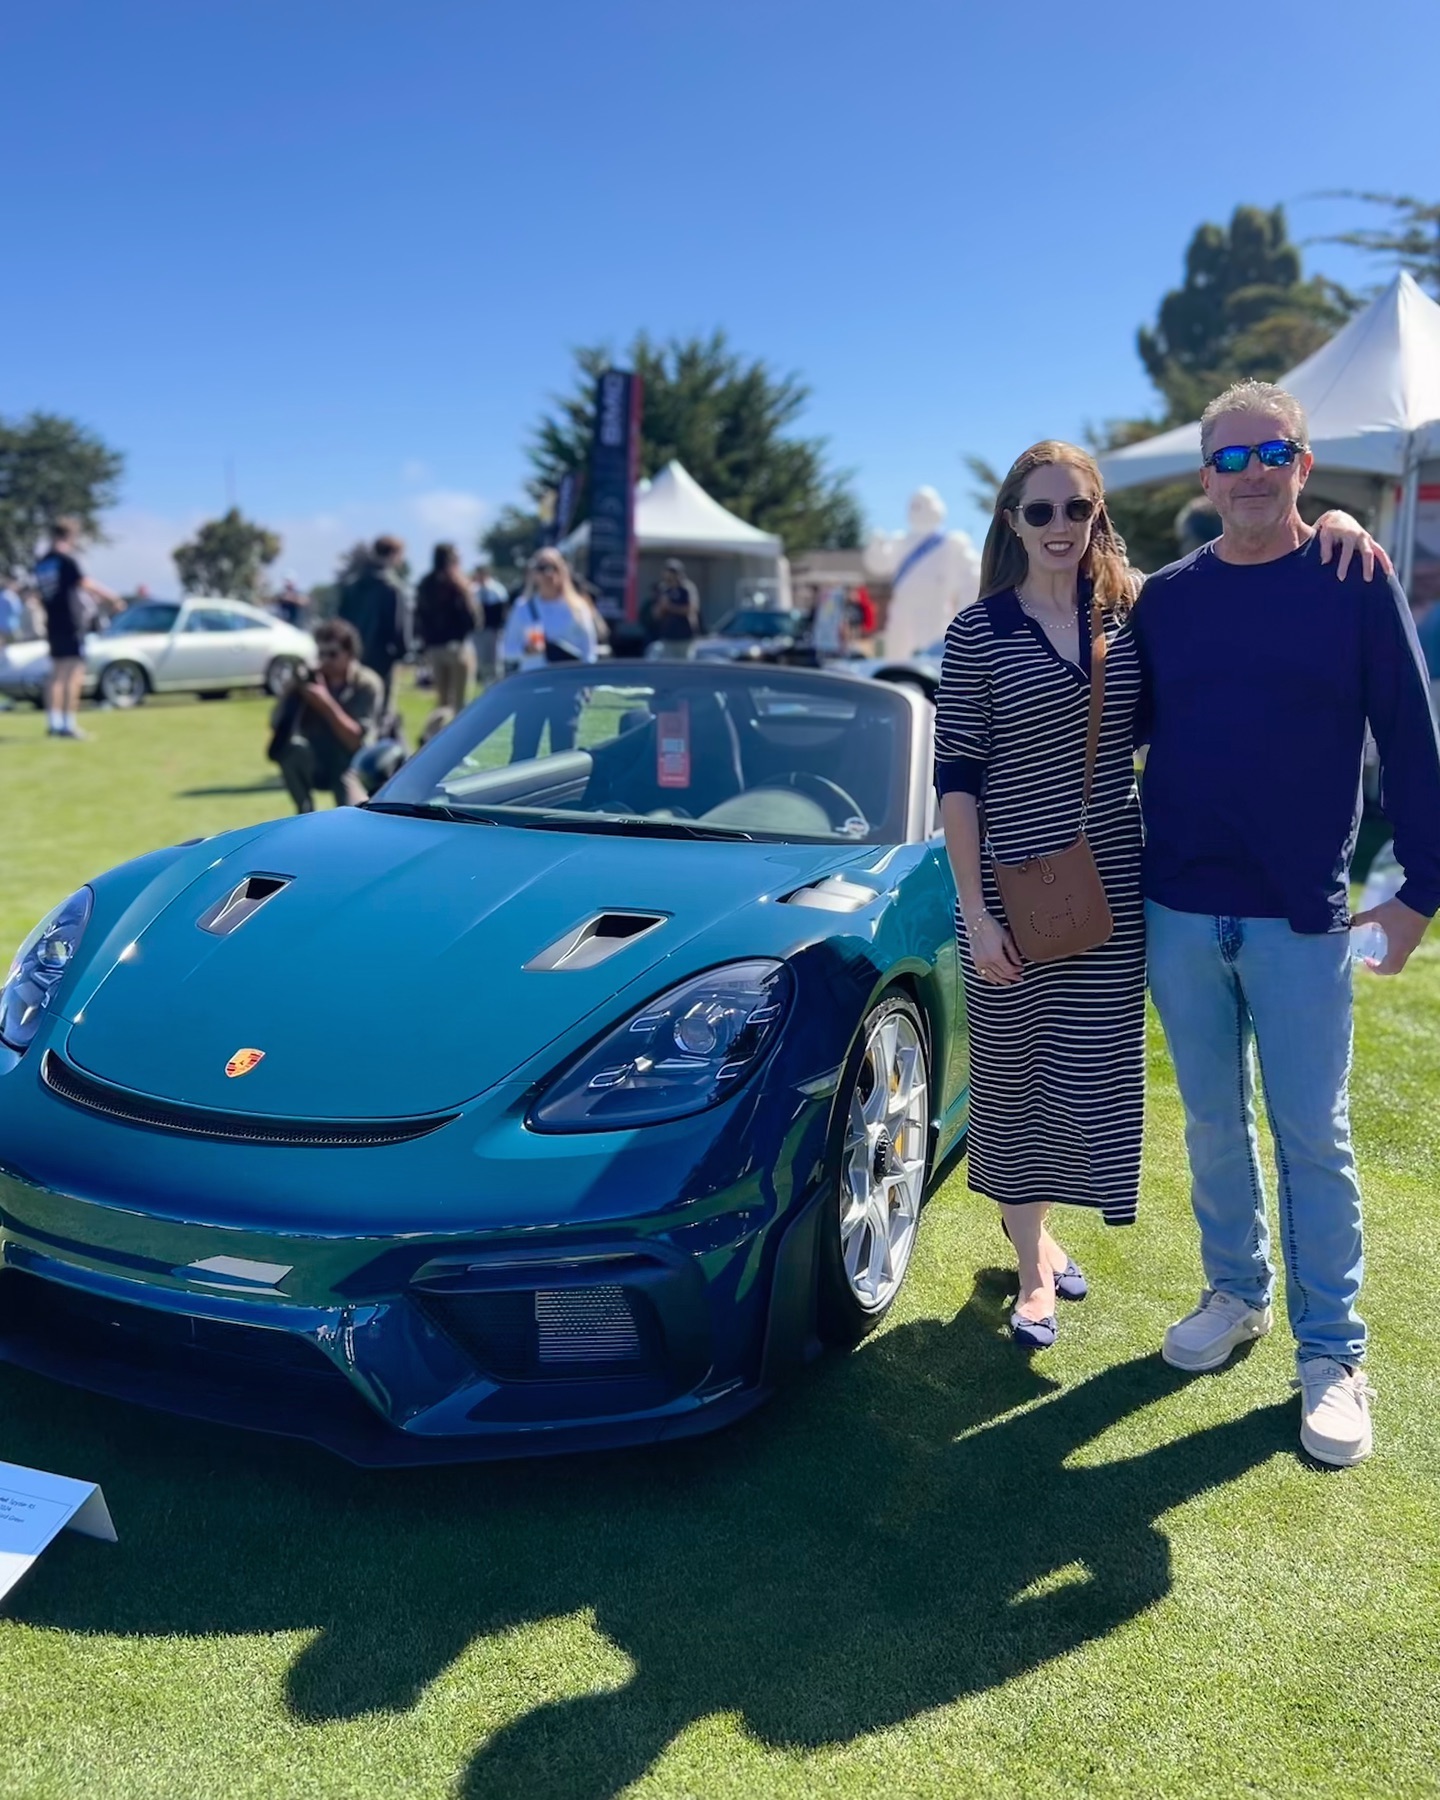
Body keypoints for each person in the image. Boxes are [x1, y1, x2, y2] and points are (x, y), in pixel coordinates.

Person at [936, 441, 1385, 1355]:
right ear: (1012, 522)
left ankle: (1051, 1230)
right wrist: (975, 914)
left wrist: (1331, 521)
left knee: (1089, 1077)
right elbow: (957, 783)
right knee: (1016, 1079)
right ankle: (1030, 1267)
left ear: (1099, 517)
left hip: (1113, 887)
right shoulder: (976, 631)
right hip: (1008, 894)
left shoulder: (1133, 612)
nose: (1060, 527)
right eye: (1040, 511)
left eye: (1077, 510)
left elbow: (1237, 563)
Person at [1135, 379, 1440, 1468]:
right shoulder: (1166, 599)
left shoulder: (1355, 582)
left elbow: (1413, 742)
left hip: (1303, 916)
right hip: (1178, 906)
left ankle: (1333, 1354)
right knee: (1213, 1123)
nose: (1253, 472)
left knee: (1314, 1136)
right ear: (1205, 477)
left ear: (1305, 467)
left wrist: (1417, 896)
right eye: (1230, 457)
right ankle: (1236, 1294)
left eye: (1275, 453)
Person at [267, 618, 383, 812]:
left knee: (352, 817)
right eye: (321, 654)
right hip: (317, 759)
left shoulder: (366, 684)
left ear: (350, 654)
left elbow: (357, 742)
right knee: (292, 751)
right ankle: (304, 812)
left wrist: (325, 704)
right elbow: (275, 725)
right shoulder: (310, 679)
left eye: (333, 654)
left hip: (352, 764)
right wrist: (291, 692)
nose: (326, 661)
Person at [500, 550, 600, 759]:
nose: (547, 574)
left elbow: (589, 652)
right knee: (523, 753)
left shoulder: (578, 608)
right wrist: (525, 650)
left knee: (564, 754)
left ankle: (565, 794)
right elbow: (506, 651)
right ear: (533, 574)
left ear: (562, 571)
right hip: (532, 687)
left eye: (553, 568)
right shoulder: (523, 608)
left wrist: (586, 684)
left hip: (566, 687)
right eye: (541, 568)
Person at [33, 519, 120, 740]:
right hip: (71, 623)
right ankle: (68, 724)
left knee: (56, 674)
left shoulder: (42, 563)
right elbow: (85, 583)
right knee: (73, 674)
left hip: (52, 623)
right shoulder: (67, 560)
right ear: (70, 536)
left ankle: (54, 723)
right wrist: (112, 598)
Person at [338, 535, 409, 708]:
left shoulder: (352, 584)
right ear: (394, 554)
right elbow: (398, 626)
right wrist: (403, 652)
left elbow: (341, 621)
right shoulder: (392, 587)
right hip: (382, 657)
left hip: (352, 655)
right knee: (382, 707)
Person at [414, 543, 479, 713]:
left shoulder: (425, 584)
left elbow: (419, 617)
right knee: (460, 702)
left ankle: (441, 736)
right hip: (457, 648)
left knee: (442, 704)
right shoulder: (458, 584)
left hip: (434, 649)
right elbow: (473, 619)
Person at [650, 558, 700, 652]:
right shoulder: (663, 589)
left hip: (685, 637)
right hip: (668, 636)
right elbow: (656, 614)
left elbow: (692, 609)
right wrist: (661, 606)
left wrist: (670, 607)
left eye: (674, 572)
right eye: (668, 572)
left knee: (684, 665)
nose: (671, 576)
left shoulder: (687, 588)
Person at [472, 560, 509, 685]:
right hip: (478, 631)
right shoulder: (473, 590)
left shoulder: (497, 590)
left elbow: (503, 611)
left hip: (494, 630)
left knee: (495, 658)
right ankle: (484, 681)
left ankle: (497, 682)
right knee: (481, 658)